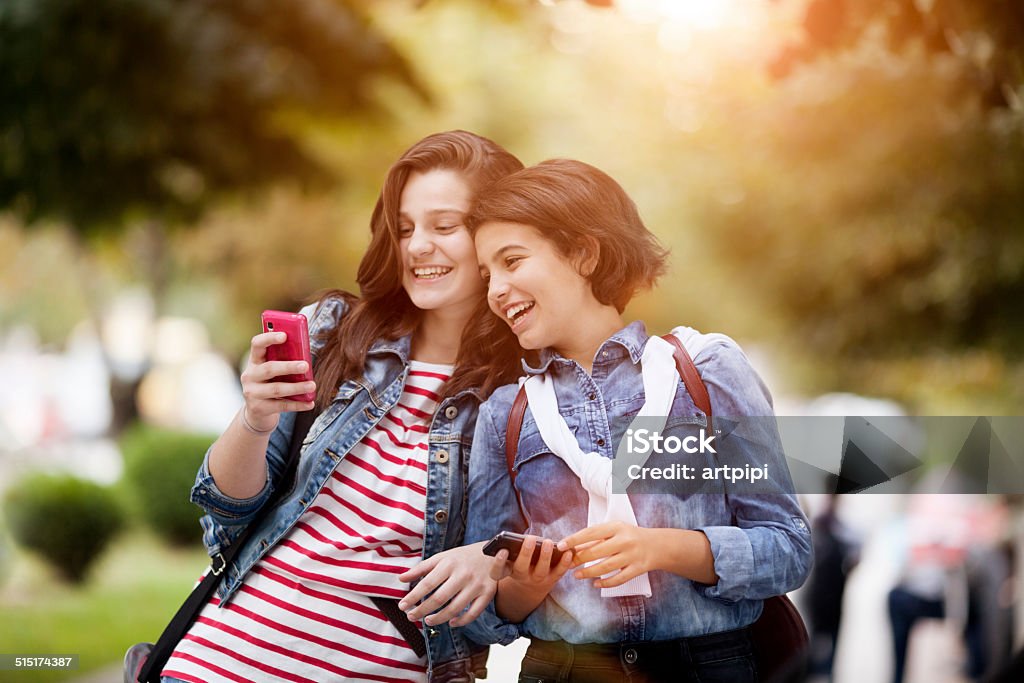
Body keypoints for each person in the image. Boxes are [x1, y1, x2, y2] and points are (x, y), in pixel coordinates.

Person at [159, 130, 524, 683]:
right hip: (219, 659)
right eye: (405, 229)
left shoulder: (523, 394)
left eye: (444, 226)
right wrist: (255, 417)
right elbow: (224, 516)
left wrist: (495, 558)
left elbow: (526, 584)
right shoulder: (332, 332)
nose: (418, 246)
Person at [457, 159, 814, 681]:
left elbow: (788, 548)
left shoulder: (707, 371)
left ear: (583, 253)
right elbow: (486, 614)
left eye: (512, 261)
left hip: (708, 665)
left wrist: (662, 547)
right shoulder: (504, 414)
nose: (495, 290)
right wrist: (525, 588)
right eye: (488, 275)